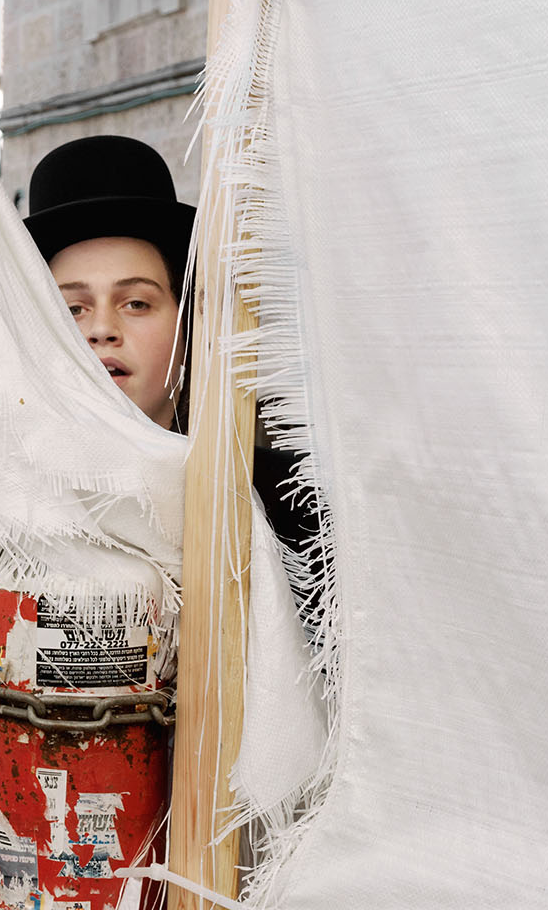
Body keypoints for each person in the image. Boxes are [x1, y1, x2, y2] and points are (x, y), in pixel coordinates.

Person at [23, 135, 325, 623]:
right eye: (71, 308)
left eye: (136, 303)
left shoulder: (288, 504)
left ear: (189, 325)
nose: (101, 330)